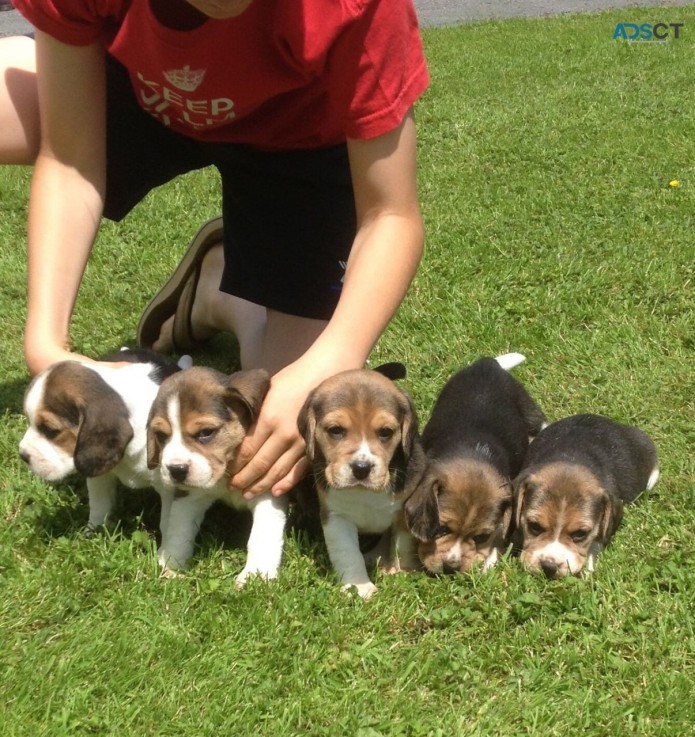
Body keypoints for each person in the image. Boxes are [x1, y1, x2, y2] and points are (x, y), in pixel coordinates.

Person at [2, 0, 429, 500]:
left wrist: (325, 361)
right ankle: (224, 275)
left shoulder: (354, 7)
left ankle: (222, 290)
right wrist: (46, 345)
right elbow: (70, 161)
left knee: (265, 432)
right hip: (138, 91)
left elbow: (391, 215)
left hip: (297, 138)